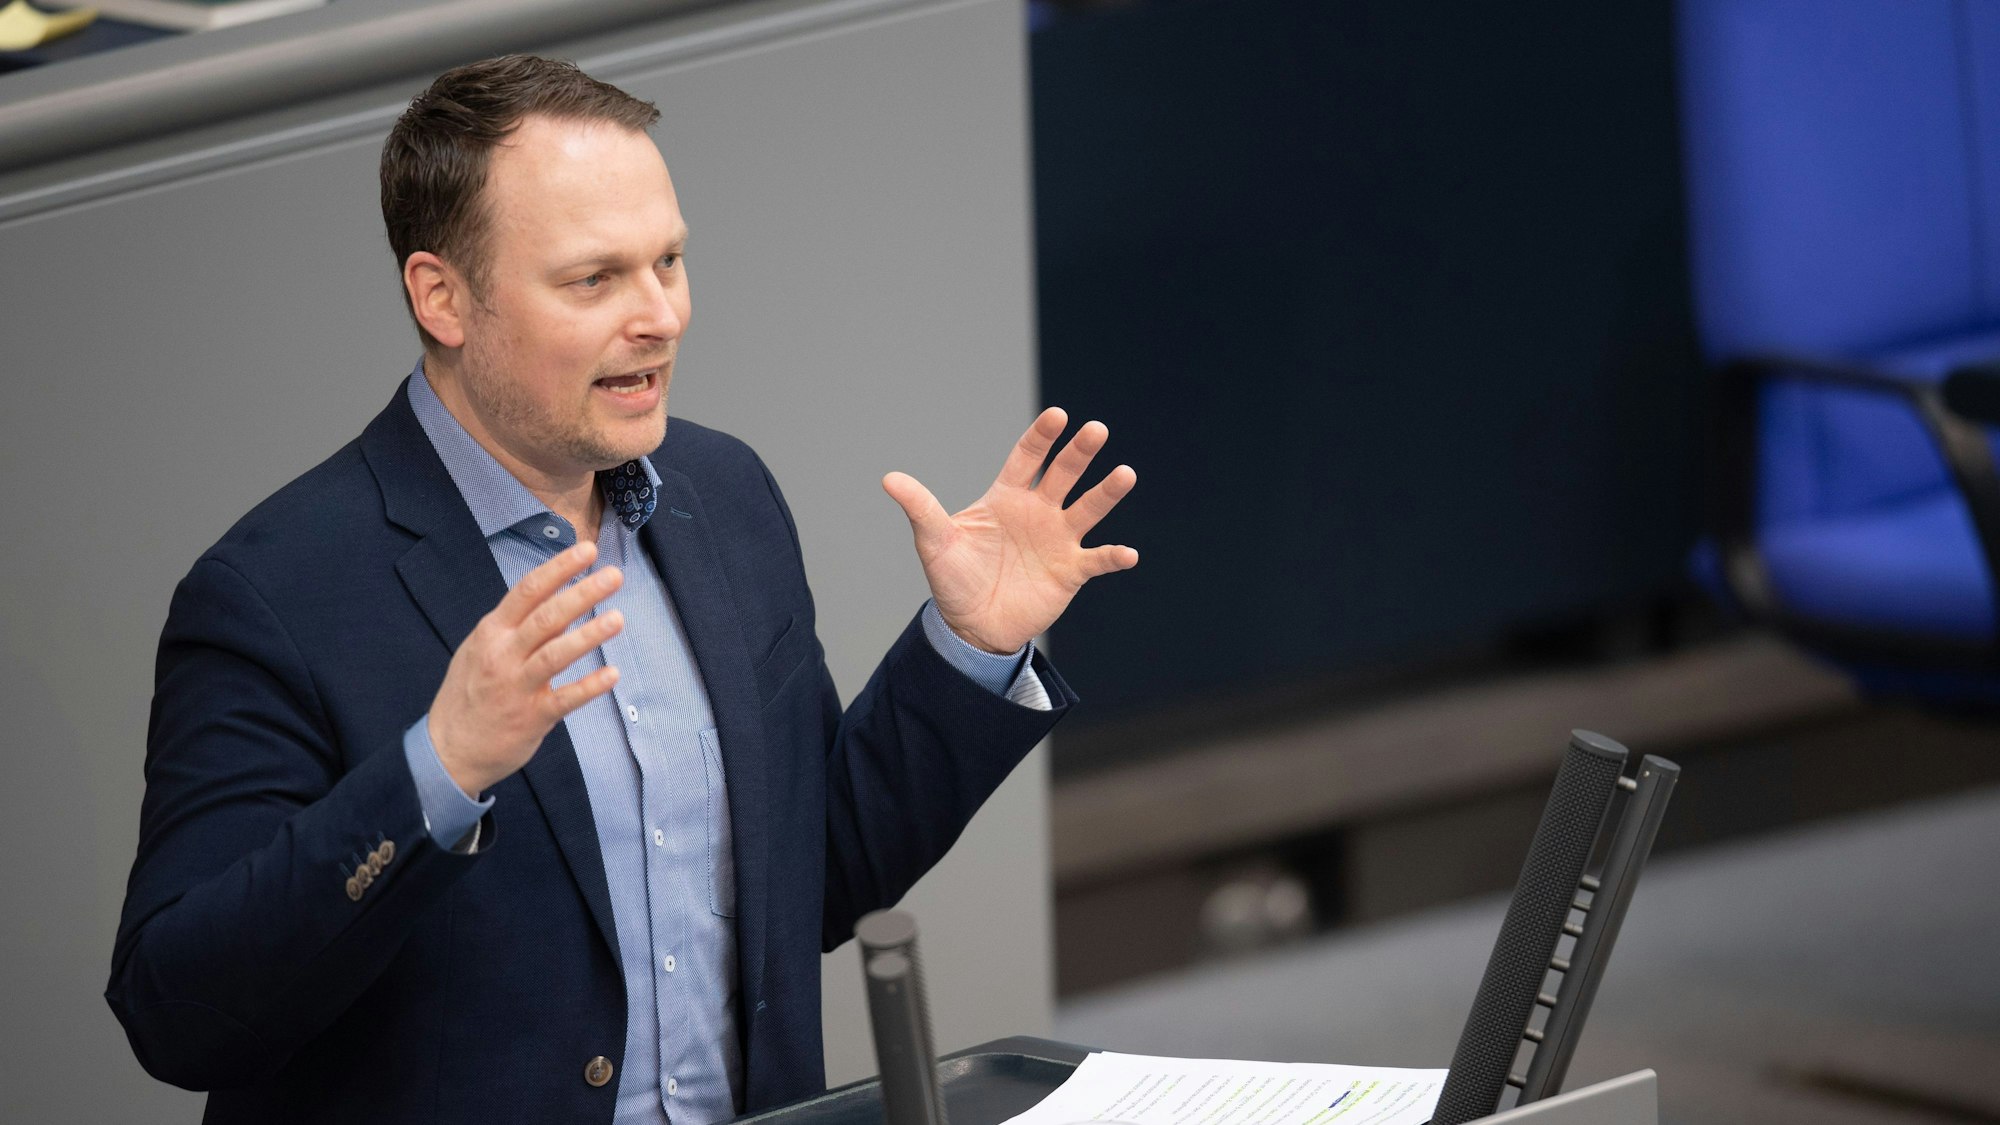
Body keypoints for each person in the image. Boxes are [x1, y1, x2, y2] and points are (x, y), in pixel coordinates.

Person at [106, 55, 1136, 1125]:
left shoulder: (721, 496)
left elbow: (806, 883)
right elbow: (179, 1013)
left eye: (669, 261)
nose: (659, 316)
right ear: (442, 297)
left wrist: (965, 653)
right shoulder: (274, 592)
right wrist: (437, 773)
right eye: (592, 279)